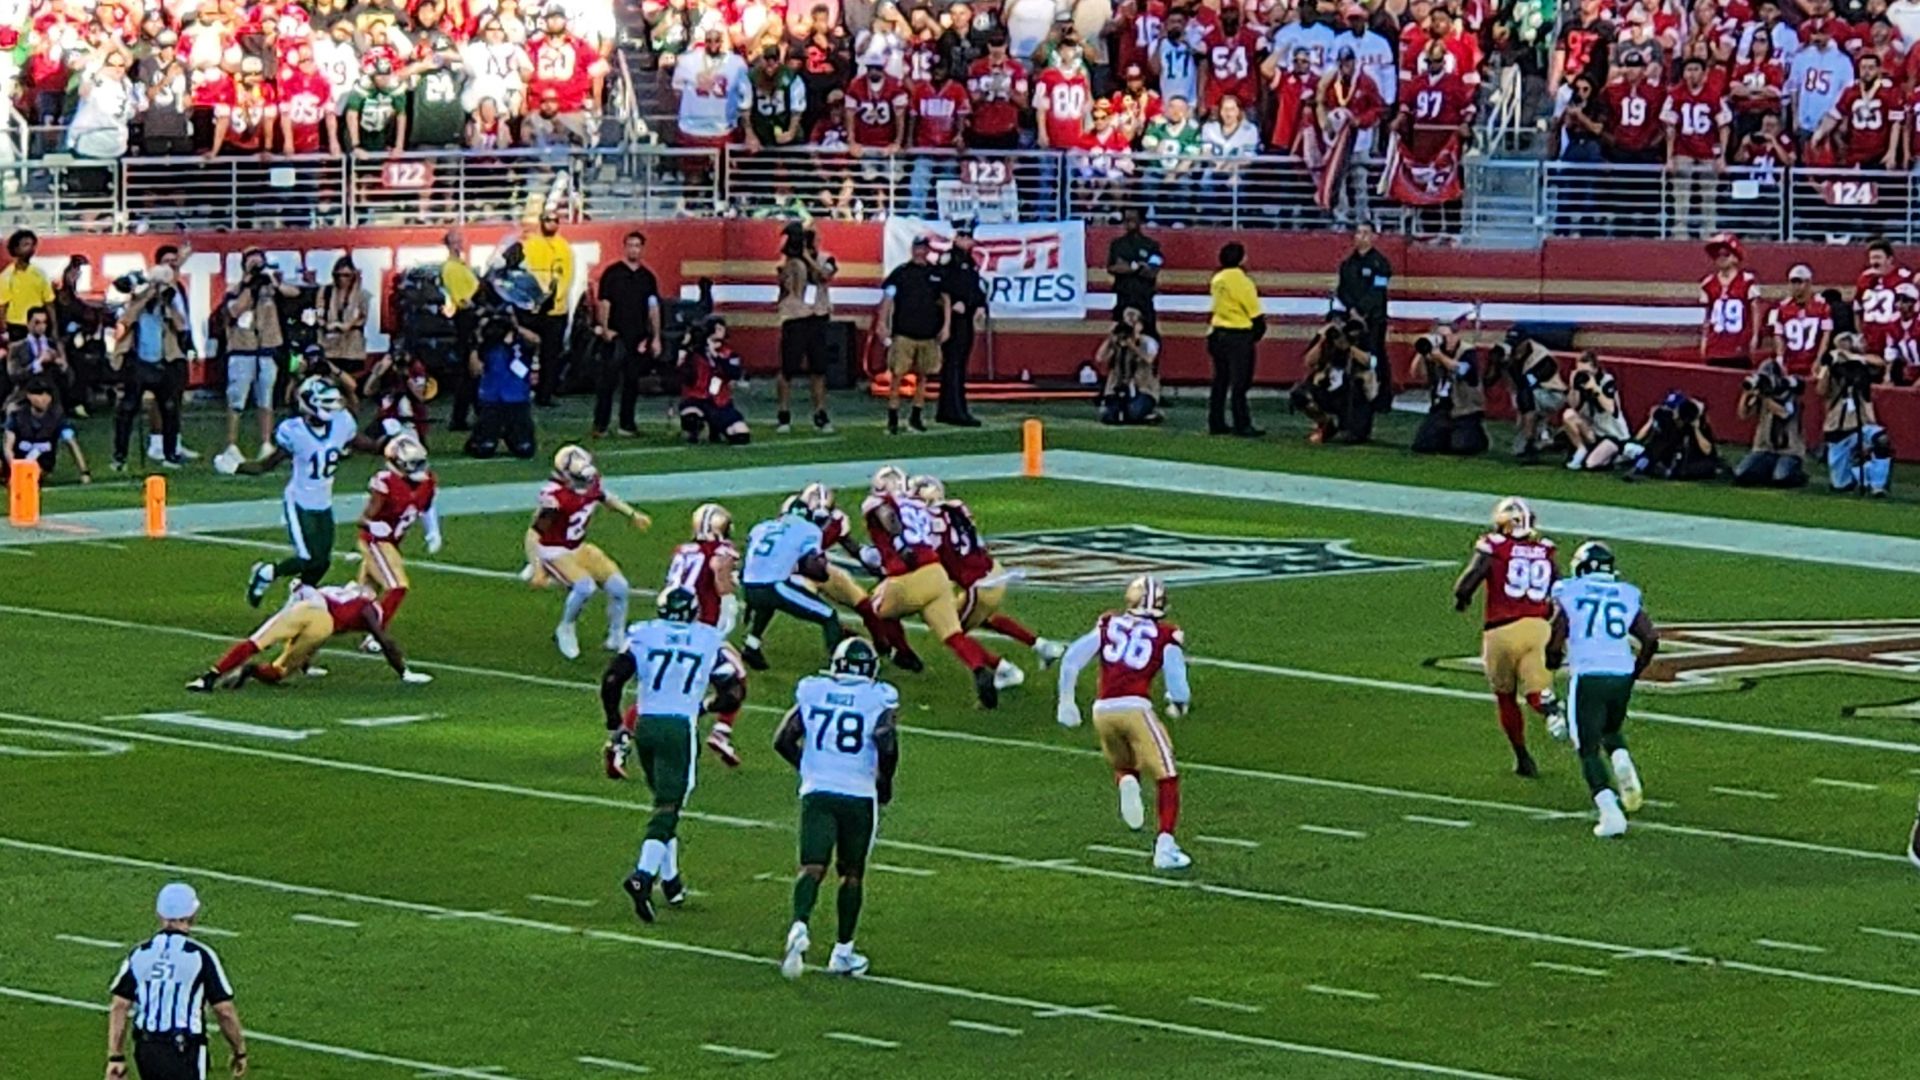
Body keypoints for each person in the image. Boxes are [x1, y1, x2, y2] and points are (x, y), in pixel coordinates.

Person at [604, 588, 736, 922]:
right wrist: (705, 706)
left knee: (663, 804)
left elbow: (612, 679)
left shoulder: (645, 634)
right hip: (679, 727)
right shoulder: (706, 639)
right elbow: (732, 691)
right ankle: (643, 876)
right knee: (669, 807)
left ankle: (672, 880)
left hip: (646, 724)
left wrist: (615, 724)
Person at [776, 636, 899, 978]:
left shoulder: (814, 691)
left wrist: (810, 767)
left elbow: (783, 739)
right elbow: (886, 742)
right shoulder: (879, 697)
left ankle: (799, 924)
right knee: (851, 874)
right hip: (858, 793)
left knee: (811, 867)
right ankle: (842, 952)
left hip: (818, 791)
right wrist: (885, 782)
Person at [1054, 575, 1193, 871]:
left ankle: (1127, 781)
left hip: (1102, 710)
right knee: (1167, 775)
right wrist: (1178, 704)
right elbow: (1178, 683)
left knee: (1125, 764)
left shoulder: (1109, 623)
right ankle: (1165, 847)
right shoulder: (1166, 634)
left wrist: (1066, 702)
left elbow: (1072, 659)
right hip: (1135, 708)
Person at [230, 377, 379, 604]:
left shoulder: (341, 424)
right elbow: (265, 466)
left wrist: (393, 444)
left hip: (324, 502)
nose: (332, 408)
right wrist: (236, 467)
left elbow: (368, 445)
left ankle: (299, 598)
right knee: (307, 558)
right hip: (299, 501)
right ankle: (266, 573)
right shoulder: (295, 431)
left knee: (323, 562)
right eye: (325, 403)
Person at [864, 464, 1002, 707]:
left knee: (875, 608)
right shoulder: (918, 506)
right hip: (936, 574)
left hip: (909, 575)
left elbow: (889, 517)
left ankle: (905, 654)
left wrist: (899, 543)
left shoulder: (879, 503)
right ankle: (979, 669)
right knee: (953, 635)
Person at [1545, 541, 1657, 839]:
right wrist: (1635, 671)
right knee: (1610, 727)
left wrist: (1551, 660)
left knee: (1587, 747)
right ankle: (1621, 760)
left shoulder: (1570, 591)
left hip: (1589, 673)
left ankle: (1610, 813)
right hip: (1621, 672)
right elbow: (1650, 638)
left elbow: (1556, 635)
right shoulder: (1626, 593)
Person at [1451, 497, 1563, 778]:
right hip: (1538, 628)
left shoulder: (1494, 546)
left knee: (1506, 696)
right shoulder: (1545, 549)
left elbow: (1467, 582)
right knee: (1536, 690)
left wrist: (1462, 599)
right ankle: (1551, 710)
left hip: (1501, 630)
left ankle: (1523, 757)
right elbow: (1560, 591)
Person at [912, 474, 1065, 673]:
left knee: (951, 631)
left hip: (978, 584)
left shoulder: (929, 523)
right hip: (994, 570)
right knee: (985, 618)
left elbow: (933, 554)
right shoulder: (957, 507)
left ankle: (1004, 670)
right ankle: (1043, 646)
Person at [105, 883, 248, 1080]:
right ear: (192, 914)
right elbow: (224, 1011)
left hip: (146, 1048)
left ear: (159, 913)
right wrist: (239, 1049)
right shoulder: (200, 955)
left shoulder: (140, 953)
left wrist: (116, 1056)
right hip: (184, 1050)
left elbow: (119, 1006)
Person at [525, 444, 652, 658]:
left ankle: (616, 636)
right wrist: (537, 568)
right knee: (585, 587)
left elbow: (604, 496)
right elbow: (533, 535)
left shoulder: (590, 482)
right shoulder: (556, 498)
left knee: (620, 587)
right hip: (553, 549)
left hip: (578, 546)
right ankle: (566, 627)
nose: (585, 484)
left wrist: (631, 514)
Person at [185, 582, 432, 690]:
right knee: (280, 671)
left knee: (257, 641)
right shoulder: (368, 608)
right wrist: (404, 672)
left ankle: (208, 678)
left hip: (306, 605)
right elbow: (385, 641)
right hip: (321, 623)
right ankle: (253, 671)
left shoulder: (338, 592)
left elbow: (312, 597)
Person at [658, 503, 750, 769]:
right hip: (700, 628)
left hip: (670, 623)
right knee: (737, 677)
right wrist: (728, 592)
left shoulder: (683, 550)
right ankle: (719, 729)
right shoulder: (721, 550)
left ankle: (622, 737)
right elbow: (719, 570)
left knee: (662, 687)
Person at [220, 249, 303, 463]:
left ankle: (266, 442)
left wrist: (271, 281)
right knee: (236, 398)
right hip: (242, 349)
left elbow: (294, 293)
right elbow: (234, 310)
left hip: (266, 348)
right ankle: (231, 444)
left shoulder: (272, 288)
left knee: (266, 397)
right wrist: (250, 286)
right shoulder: (236, 289)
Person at [738, 499, 842, 670]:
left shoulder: (761, 527)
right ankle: (838, 665)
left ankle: (751, 646)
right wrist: (822, 575)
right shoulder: (809, 529)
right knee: (829, 615)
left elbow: (750, 557)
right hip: (773, 586)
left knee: (765, 607)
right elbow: (812, 562)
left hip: (749, 584)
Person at [355, 434, 442, 636]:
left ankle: (317, 608)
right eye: (412, 463)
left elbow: (427, 506)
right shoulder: (386, 482)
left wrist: (433, 531)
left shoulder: (427, 481)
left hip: (392, 542)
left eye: (419, 462)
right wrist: (373, 525)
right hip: (376, 541)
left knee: (363, 595)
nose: (419, 468)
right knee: (397, 586)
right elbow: (363, 519)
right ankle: (376, 636)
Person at [589, 231, 663, 440]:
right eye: (630, 245)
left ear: (642, 249)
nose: (634, 249)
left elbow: (653, 308)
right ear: (625, 247)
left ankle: (627, 424)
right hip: (615, 336)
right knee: (607, 382)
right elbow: (604, 303)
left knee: (632, 382)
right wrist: (605, 329)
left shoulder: (647, 277)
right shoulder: (612, 274)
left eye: (637, 246)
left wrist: (655, 337)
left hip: (637, 337)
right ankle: (601, 425)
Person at [876, 234, 949, 434]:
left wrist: (946, 326)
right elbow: (888, 297)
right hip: (904, 332)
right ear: (912, 249)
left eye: (923, 248)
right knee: (897, 375)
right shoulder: (901, 273)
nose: (920, 251)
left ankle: (916, 416)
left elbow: (945, 300)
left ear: (928, 250)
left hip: (928, 333)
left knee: (923, 376)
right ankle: (893, 417)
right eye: (917, 248)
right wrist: (882, 322)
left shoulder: (936, 274)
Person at [775, 223, 839, 434]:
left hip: (817, 316)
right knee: (788, 368)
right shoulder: (789, 262)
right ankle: (783, 413)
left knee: (818, 368)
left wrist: (808, 259)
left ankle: (820, 412)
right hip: (795, 316)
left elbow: (824, 276)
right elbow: (783, 286)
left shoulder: (826, 259)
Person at [1816, 332, 1893, 495]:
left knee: (1881, 439)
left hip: (1860, 422)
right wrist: (1829, 368)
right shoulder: (1832, 367)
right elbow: (1821, 391)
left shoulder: (1861, 365)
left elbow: (1879, 363)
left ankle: (1878, 485)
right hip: (1837, 425)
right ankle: (1860, 474)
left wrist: (1853, 358)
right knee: (1840, 485)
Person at [465, 310, 542, 459]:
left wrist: (515, 327)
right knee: (483, 450)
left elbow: (537, 340)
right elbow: (475, 371)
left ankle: (513, 436)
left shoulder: (522, 343)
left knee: (525, 450)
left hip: (517, 400)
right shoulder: (487, 345)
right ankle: (481, 437)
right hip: (491, 399)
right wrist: (475, 345)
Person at [1290, 318, 1378, 444]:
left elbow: (1371, 362)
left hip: (1352, 395)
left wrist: (1349, 347)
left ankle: (1349, 427)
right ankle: (1326, 424)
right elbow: (1308, 361)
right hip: (1328, 389)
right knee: (1299, 394)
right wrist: (1322, 340)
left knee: (1354, 437)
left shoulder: (1360, 340)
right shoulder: (1326, 344)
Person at [1206, 241, 1262, 437]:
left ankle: (1216, 421)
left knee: (1220, 380)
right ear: (1241, 259)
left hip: (1217, 332)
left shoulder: (1217, 279)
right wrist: (1256, 334)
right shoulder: (1243, 281)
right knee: (1240, 383)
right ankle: (1242, 423)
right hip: (1239, 334)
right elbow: (1254, 312)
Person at [937, 219, 988, 426]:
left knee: (960, 364)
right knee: (953, 364)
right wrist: (956, 302)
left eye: (969, 237)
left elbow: (974, 288)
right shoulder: (949, 260)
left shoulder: (970, 262)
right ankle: (953, 410)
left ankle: (956, 408)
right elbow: (944, 287)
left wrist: (980, 304)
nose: (968, 241)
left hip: (966, 318)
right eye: (963, 236)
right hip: (953, 319)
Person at [1409, 323, 1488, 456]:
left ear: (1456, 336)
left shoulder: (1467, 351)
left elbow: (1463, 370)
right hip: (1442, 407)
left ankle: (1478, 437)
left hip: (1465, 409)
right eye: (1440, 337)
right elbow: (1415, 374)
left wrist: (1440, 357)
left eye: (1447, 336)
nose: (1445, 340)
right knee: (1423, 445)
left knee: (1462, 447)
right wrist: (1422, 351)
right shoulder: (1434, 354)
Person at [1334, 223, 1391, 405]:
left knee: (1375, 355)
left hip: (1374, 319)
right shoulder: (1347, 264)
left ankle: (1381, 397)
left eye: (1366, 233)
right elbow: (1342, 290)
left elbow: (1378, 291)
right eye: (1359, 233)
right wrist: (1351, 310)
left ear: (1373, 237)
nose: (1362, 236)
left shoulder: (1381, 264)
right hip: (1350, 318)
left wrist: (1362, 311)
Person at [523, 209, 576, 406]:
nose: (551, 223)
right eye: (547, 220)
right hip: (532, 309)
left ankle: (545, 395)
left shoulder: (564, 248)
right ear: (541, 221)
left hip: (556, 311)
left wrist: (553, 298)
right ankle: (522, 390)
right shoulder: (530, 245)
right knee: (525, 351)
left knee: (551, 355)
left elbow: (566, 278)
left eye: (555, 220)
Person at [1732, 359, 1809, 487]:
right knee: (1741, 474)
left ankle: (1796, 473)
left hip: (1789, 450)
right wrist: (1746, 394)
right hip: (1764, 448)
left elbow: (1784, 413)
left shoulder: (1790, 394)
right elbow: (1743, 414)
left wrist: (1764, 397)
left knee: (1781, 478)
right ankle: (1766, 471)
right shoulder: (1762, 395)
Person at [676, 315, 751, 445]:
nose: (719, 331)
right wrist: (685, 349)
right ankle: (696, 430)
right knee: (692, 419)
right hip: (697, 398)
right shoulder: (695, 352)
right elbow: (683, 375)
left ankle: (717, 428)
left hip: (720, 401)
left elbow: (734, 373)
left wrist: (716, 357)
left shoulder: (729, 353)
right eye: (716, 328)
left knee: (740, 436)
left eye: (721, 328)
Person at [4, 377, 89, 484]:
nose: (44, 398)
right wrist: (17, 469)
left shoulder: (57, 418)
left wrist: (84, 472)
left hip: (42, 463)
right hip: (17, 461)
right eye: (39, 394)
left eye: (47, 394)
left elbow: (71, 441)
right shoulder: (17, 417)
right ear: (29, 396)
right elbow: (8, 447)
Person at [1623, 391, 1721, 481]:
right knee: (1651, 452)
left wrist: (1696, 428)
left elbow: (1707, 450)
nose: (1671, 411)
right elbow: (1641, 440)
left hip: (1693, 459)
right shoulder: (1667, 421)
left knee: (1702, 467)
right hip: (1670, 457)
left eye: (1673, 408)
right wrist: (1651, 420)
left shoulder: (1695, 420)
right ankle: (1639, 469)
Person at [1562, 351, 1630, 470]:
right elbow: (1573, 405)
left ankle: (1618, 456)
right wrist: (1573, 386)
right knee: (1568, 415)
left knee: (1591, 464)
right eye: (1580, 371)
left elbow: (1611, 408)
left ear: (1595, 369)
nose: (1584, 375)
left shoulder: (1607, 381)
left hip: (1613, 434)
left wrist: (1595, 388)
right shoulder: (1581, 383)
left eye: (1587, 372)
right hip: (1594, 432)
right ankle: (1581, 449)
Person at [1699, 233, 1759, 369]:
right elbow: (1707, 317)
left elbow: (1755, 310)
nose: (1721, 258)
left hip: (1739, 346)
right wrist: (1704, 339)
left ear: (1735, 257)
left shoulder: (1746, 281)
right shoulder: (1708, 283)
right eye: (1717, 255)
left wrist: (1754, 337)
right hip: (1715, 345)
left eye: (1725, 254)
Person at [1096, 307, 1162, 425]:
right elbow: (1100, 358)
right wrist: (1110, 338)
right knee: (1111, 417)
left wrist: (1133, 346)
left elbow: (1149, 359)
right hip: (1118, 387)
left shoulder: (1148, 342)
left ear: (1140, 326)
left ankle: (1149, 413)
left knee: (1134, 413)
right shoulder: (1117, 342)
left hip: (1143, 388)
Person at [1106, 207, 1162, 339]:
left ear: (1140, 221)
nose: (1129, 223)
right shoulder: (1117, 245)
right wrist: (1137, 266)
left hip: (1144, 299)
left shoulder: (1152, 245)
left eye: (1133, 220)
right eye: (1126, 220)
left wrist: (1127, 266)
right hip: (1123, 298)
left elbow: (1152, 271)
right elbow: (1113, 268)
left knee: (1149, 336)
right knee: (1119, 338)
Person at [6, 305, 69, 412]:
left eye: (44, 322)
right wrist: (38, 363)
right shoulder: (16, 348)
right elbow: (14, 375)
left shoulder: (54, 345)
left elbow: (68, 378)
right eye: (37, 322)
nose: (41, 326)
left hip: (51, 396)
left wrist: (61, 365)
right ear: (28, 324)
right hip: (25, 395)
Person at [317, 257, 370, 378]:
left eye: (346, 275)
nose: (342, 279)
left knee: (350, 382)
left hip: (352, 348)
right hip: (329, 347)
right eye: (338, 275)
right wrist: (325, 324)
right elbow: (319, 311)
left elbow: (362, 317)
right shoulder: (325, 291)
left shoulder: (361, 294)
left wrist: (347, 325)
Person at [0, 229, 54, 343]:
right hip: (16, 326)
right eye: (25, 245)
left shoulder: (40, 274)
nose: (31, 248)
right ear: (15, 249)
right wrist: (4, 329)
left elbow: (49, 302)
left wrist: (53, 326)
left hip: (38, 323)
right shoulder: (7, 276)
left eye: (32, 245)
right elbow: (2, 306)